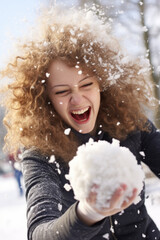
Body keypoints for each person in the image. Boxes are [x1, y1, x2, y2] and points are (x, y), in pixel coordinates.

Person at [0, 5, 160, 240]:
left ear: (102, 85)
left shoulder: (130, 124)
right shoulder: (40, 153)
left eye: (86, 85)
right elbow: (39, 232)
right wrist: (87, 213)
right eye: (62, 91)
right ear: (47, 100)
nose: (77, 99)